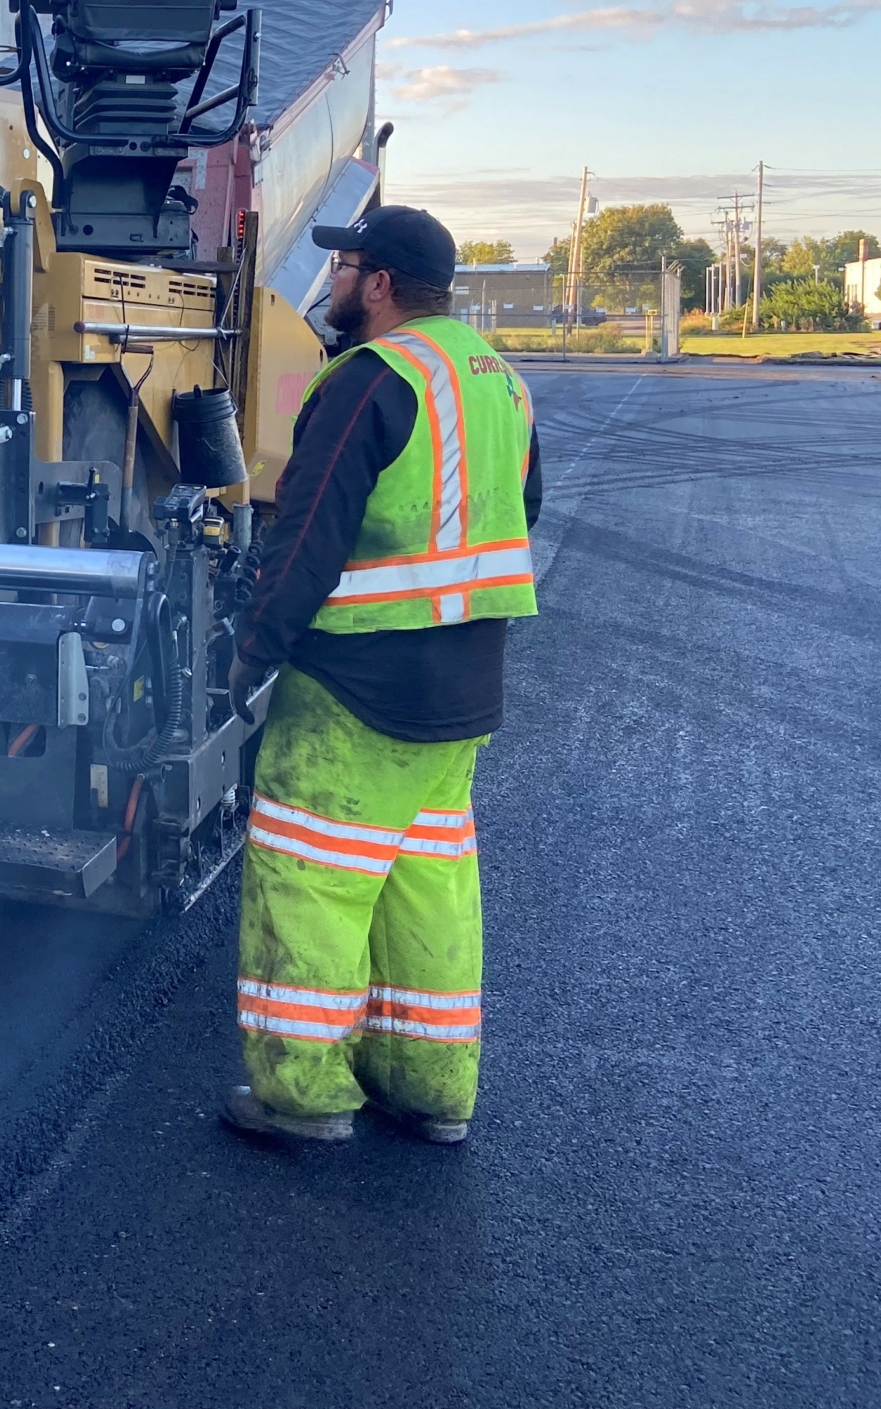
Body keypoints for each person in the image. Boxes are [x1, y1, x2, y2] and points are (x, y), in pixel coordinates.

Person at [220, 205, 541, 1149]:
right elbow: (522, 511)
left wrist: (252, 654)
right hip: (467, 687)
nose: (334, 286)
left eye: (346, 268)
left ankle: (304, 1095)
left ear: (383, 284)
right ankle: (432, 1089)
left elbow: (306, 534)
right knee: (425, 881)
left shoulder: (368, 380)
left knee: (311, 884)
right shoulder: (501, 381)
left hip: (354, 690)